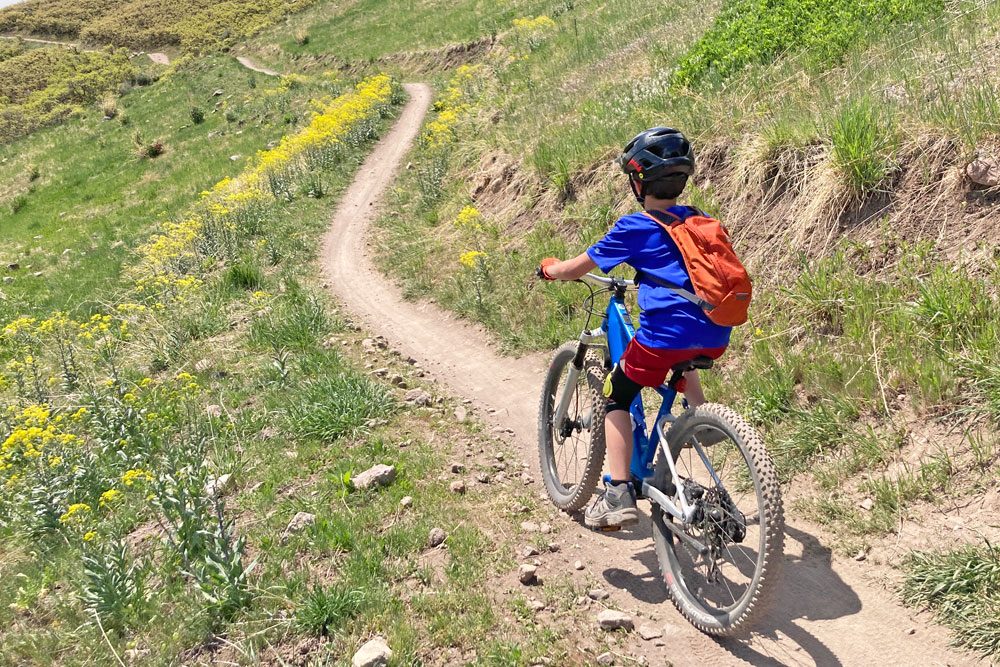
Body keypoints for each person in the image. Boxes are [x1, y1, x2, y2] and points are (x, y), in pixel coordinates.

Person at [536, 127, 732, 529]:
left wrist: (550, 270)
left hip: (665, 338)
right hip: (715, 332)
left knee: (616, 394)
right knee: (682, 351)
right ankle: (699, 417)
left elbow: (576, 268)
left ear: (638, 182)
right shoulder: (702, 221)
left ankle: (618, 492)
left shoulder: (635, 227)